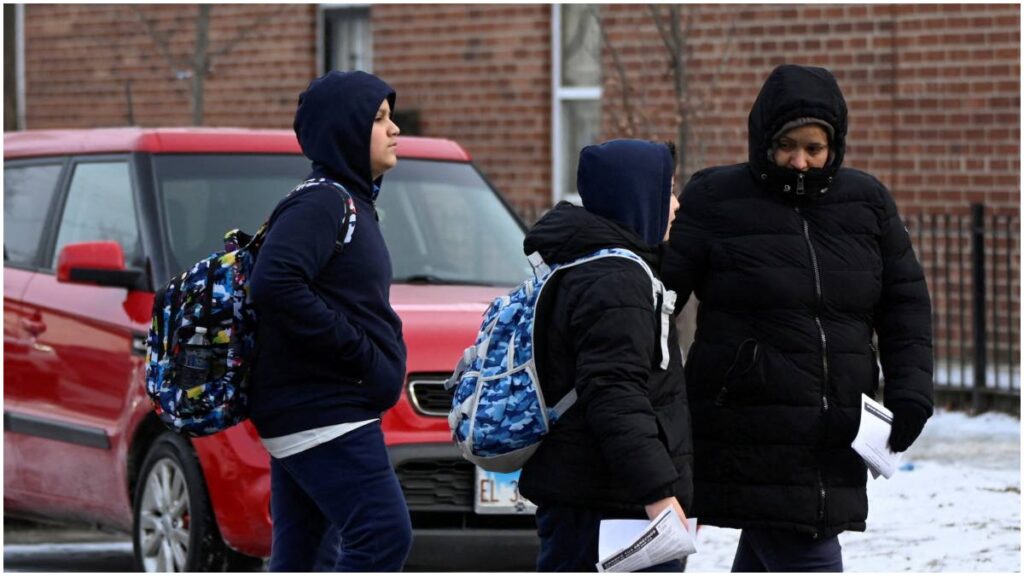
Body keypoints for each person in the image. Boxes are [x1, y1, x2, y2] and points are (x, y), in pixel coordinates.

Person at [662, 64, 934, 572]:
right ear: (763, 141)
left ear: (835, 146)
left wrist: (912, 391)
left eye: (815, 148)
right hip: (750, 420)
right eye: (787, 145)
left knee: (778, 546)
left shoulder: (867, 203)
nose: (801, 161)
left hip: (838, 427)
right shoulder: (718, 200)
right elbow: (658, 300)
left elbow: (905, 305)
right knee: (804, 547)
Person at [247, 70, 411, 572]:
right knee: (382, 535)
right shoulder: (323, 201)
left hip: (316, 412)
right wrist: (359, 350)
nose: (395, 129)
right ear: (346, 131)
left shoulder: (349, 201)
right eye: (380, 119)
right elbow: (274, 283)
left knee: (303, 556)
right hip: (323, 410)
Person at [518, 139, 694, 572]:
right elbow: (615, 393)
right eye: (666, 191)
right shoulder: (617, 280)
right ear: (636, 198)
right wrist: (657, 494)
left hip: (594, 495)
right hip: (611, 507)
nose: (674, 205)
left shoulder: (593, 264)